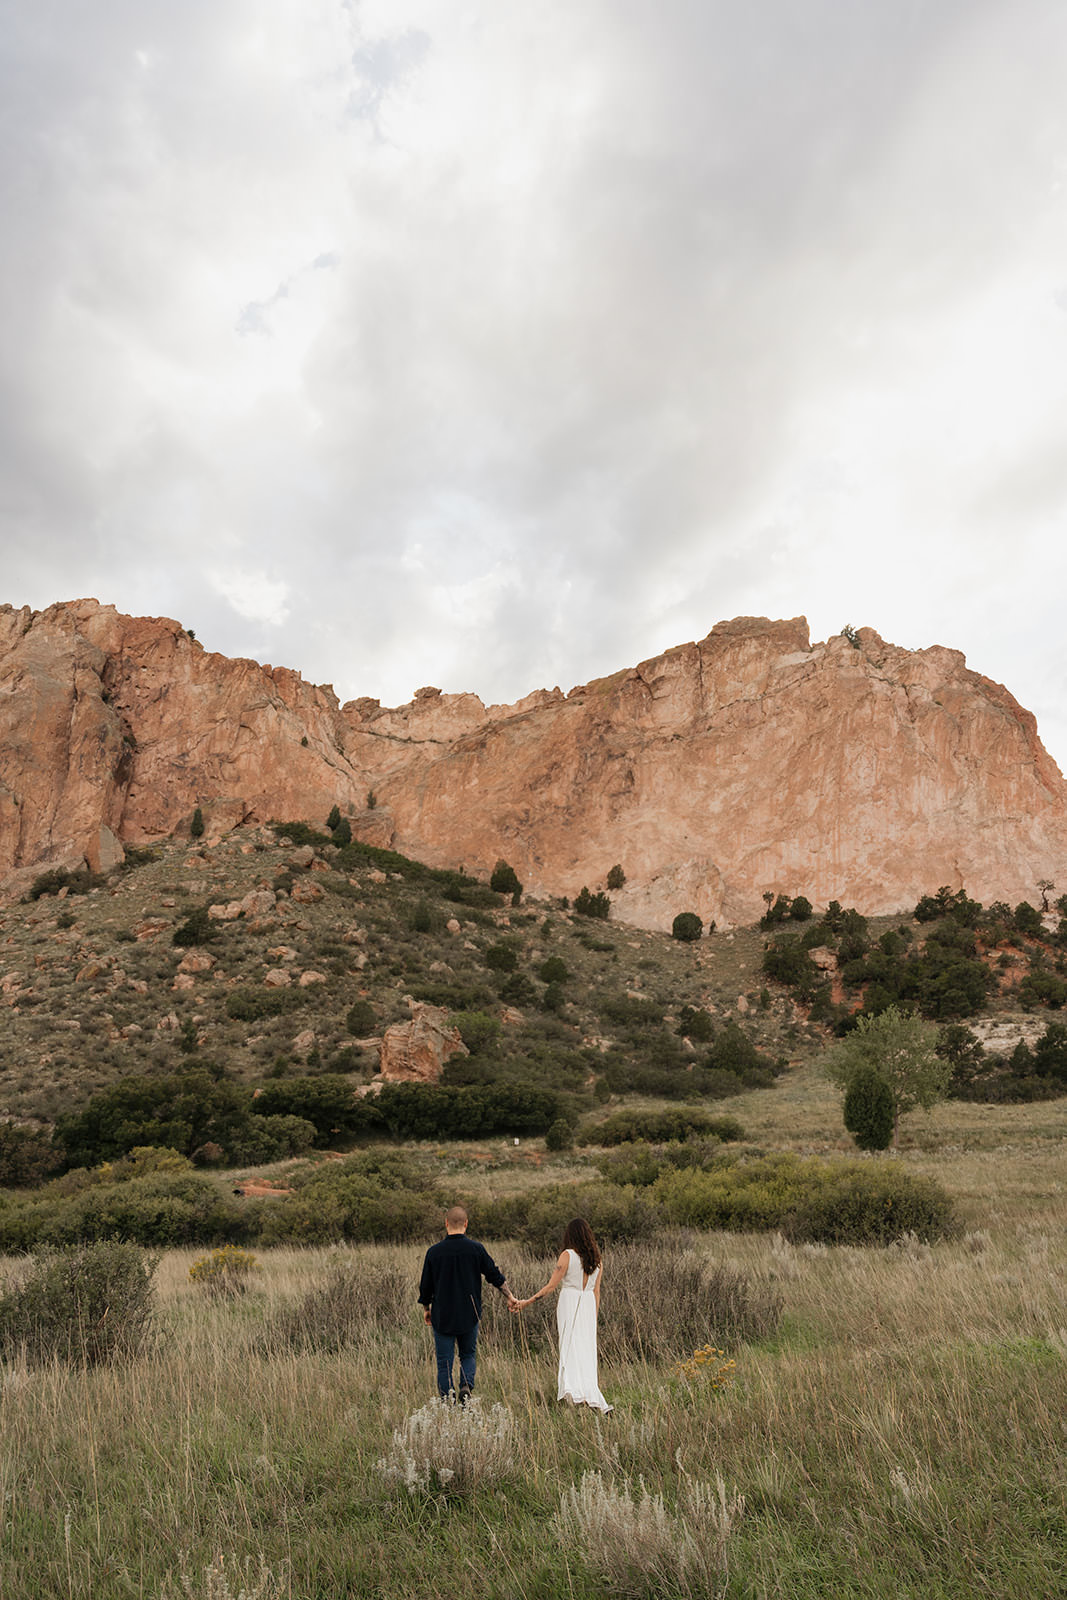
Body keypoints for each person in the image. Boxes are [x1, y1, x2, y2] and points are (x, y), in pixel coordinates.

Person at [512, 1216, 612, 1413]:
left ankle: (575, 1393)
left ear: (570, 1235)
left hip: (570, 1302)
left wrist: (526, 1302)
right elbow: (596, 1291)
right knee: (585, 1349)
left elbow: (551, 1287)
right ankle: (586, 1393)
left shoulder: (567, 1255)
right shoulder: (598, 1261)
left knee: (569, 1346)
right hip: (588, 1305)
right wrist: (593, 1315)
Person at [418, 1205, 516, 1401]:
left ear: (446, 1223)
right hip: (469, 1313)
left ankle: (448, 1400)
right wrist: (510, 1296)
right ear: (466, 1224)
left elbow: (425, 1286)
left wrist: (427, 1308)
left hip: (442, 1315)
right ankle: (466, 1386)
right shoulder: (476, 1249)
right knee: (468, 1355)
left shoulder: (434, 1252)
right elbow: (494, 1275)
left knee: (444, 1362)